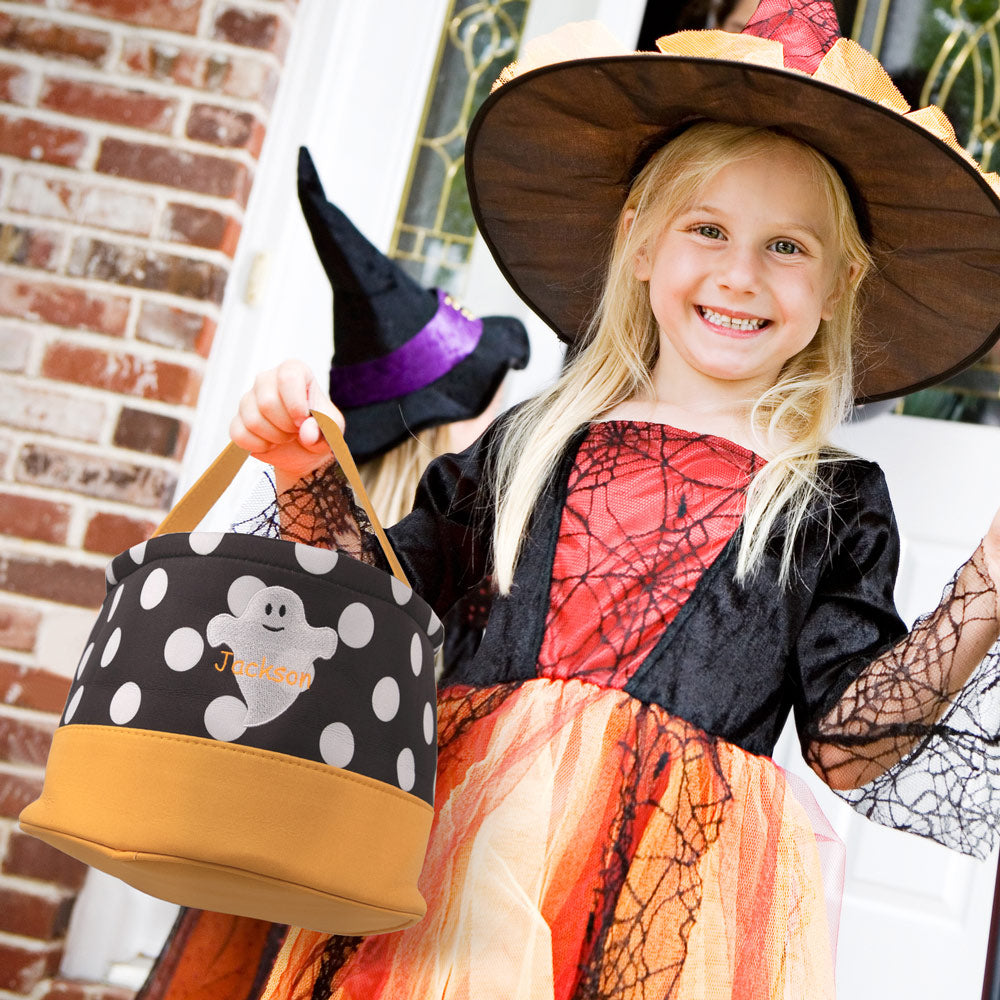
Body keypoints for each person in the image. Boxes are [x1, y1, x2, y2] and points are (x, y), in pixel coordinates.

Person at [231, 3, 1000, 997]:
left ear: (838, 284)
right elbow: (373, 621)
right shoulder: (526, 446)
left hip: (663, 911)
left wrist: (986, 575)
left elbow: (851, 744)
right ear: (638, 242)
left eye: (786, 247)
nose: (738, 272)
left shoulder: (830, 503)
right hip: (448, 866)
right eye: (707, 228)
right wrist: (306, 481)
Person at [134, 150, 529, 1000]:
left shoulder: (317, 558)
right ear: (441, 439)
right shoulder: (440, 573)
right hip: (380, 875)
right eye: (487, 410)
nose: (503, 430)